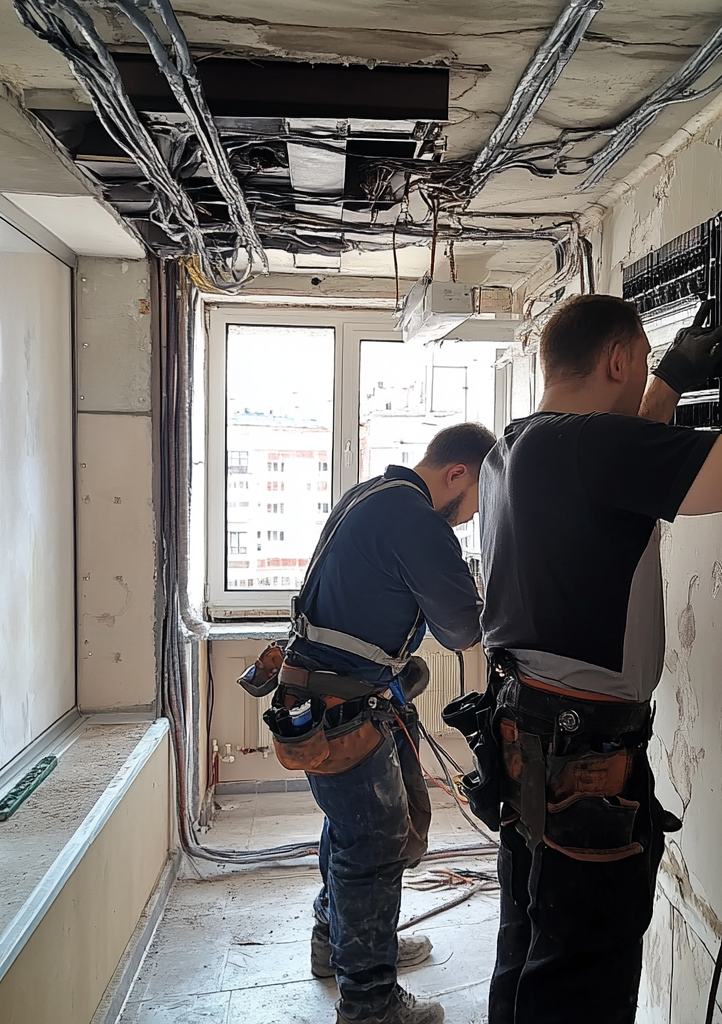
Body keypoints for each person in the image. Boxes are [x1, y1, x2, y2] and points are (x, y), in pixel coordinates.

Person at [478, 269, 722, 1023]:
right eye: (637, 365)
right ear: (616, 361)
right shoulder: (592, 449)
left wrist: (665, 381)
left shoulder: (513, 450)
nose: (640, 379)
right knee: (581, 985)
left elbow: (616, 482)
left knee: (529, 955)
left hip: (526, 745)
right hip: (582, 762)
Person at [283, 421, 495, 1024]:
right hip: (343, 706)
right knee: (372, 850)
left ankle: (340, 945)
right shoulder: (416, 520)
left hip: (328, 694)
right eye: (475, 502)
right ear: (457, 473)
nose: (468, 519)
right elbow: (462, 630)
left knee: (350, 834)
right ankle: (370, 1002)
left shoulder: (371, 493)